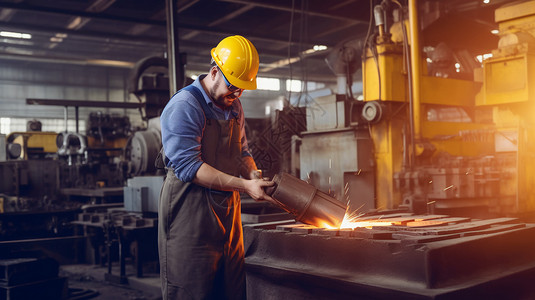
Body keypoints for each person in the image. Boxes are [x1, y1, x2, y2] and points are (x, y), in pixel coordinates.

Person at [157, 35, 275, 300]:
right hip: (189, 217)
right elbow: (190, 168)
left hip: (226, 216)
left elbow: (242, 152)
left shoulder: (234, 106)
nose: (238, 94)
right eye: (234, 87)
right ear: (214, 72)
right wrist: (245, 186)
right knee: (191, 290)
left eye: (243, 89)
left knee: (231, 290)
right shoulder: (185, 106)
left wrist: (255, 176)